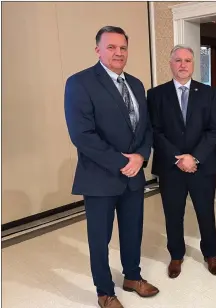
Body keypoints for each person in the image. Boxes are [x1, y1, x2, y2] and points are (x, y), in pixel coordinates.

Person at [64, 26, 159, 308]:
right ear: (98, 50)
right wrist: (123, 162)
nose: (118, 53)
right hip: (99, 177)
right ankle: (104, 291)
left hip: (133, 177)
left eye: (123, 48)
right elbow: (82, 135)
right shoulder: (79, 83)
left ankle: (132, 277)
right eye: (111, 47)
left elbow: (146, 129)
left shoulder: (137, 84)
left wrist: (141, 157)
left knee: (133, 231)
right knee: (99, 239)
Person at [147, 45, 216, 279]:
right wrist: (178, 159)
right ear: (170, 64)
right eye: (178, 60)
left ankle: (210, 253)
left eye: (188, 60)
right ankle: (176, 255)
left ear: (193, 64)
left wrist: (194, 157)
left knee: (205, 212)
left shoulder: (209, 93)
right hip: (171, 168)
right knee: (173, 213)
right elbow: (154, 131)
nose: (182, 65)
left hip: (202, 166)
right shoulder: (156, 94)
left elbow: (214, 130)